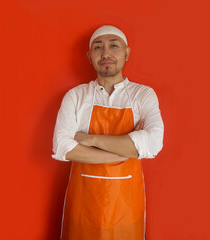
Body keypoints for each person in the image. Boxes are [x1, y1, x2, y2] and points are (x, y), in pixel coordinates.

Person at [52, 25, 164, 240]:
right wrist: (124, 152)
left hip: (126, 208)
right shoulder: (76, 96)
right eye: (98, 47)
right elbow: (63, 147)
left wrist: (89, 139)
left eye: (114, 45)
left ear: (127, 53)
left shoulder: (143, 95)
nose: (106, 53)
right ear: (89, 56)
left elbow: (153, 143)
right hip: (83, 208)